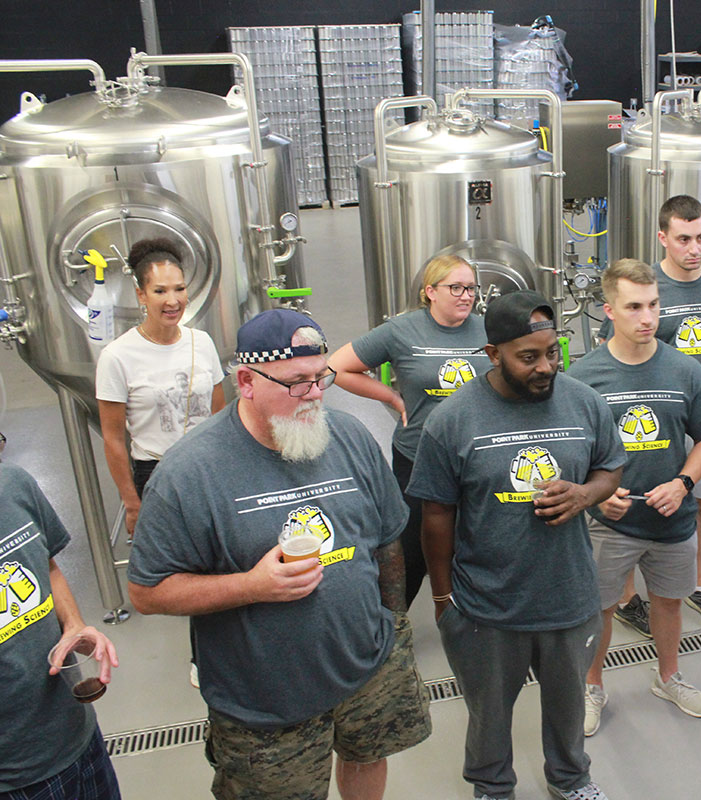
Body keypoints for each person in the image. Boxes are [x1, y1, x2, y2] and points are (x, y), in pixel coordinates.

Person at [127, 308, 432, 800]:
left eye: (320, 378)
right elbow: (146, 591)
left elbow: (386, 540)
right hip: (266, 698)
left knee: (366, 756)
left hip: (367, 662)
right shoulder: (191, 472)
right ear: (247, 381)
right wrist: (251, 586)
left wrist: (392, 626)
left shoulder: (350, 439)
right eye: (296, 383)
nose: (314, 395)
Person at [409, 291, 625, 800]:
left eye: (552, 352)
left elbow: (611, 466)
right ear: (492, 354)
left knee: (569, 706)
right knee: (488, 714)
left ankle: (571, 780)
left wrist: (586, 494)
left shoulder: (583, 401)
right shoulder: (453, 420)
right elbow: (436, 514)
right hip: (488, 604)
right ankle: (492, 786)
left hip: (568, 595)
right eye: (528, 357)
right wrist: (443, 600)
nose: (545, 366)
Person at [570, 259, 701, 736]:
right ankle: (592, 685)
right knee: (599, 608)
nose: (648, 317)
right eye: (634, 307)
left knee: (669, 603)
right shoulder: (584, 376)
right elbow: (572, 452)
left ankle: (669, 676)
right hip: (609, 522)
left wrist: (683, 483)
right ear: (608, 311)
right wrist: (597, 495)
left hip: (671, 519)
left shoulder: (684, 370)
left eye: (654, 305)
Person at [600, 195, 701, 634]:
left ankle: (700, 584)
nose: (694, 248)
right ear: (663, 238)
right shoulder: (645, 288)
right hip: (652, 419)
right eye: (683, 239)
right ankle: (629, 597)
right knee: (630, 501)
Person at [329, 254, 491, 610]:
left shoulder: (487, 329)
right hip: (418, 458)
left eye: (470, 288)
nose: (466, 296)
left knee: (475, 546)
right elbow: (336, 368)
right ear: (430, 291)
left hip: (476, 459)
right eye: (456, 288)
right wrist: (392, 397)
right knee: (409, 554)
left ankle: (470, 619)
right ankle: (391, 628)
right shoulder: (402, 330)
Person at [0, 463, 121, 799]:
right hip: (15, 773)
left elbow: (46, 565)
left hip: (75, 730)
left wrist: (73, 624)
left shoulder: (14, 484)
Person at [97, 237, 226, 538]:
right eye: (160, 291)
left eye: (179, 289)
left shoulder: (202, 342)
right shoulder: (117, 356)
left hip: (207, 467)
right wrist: (132, 503)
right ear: (141, 295)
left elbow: (219, 414)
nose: (173, 301)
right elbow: (113, 439)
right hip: (155, 473)